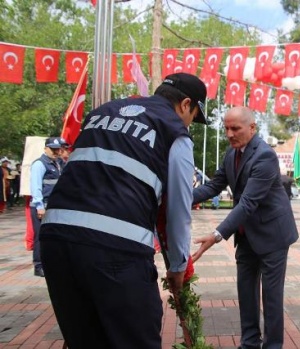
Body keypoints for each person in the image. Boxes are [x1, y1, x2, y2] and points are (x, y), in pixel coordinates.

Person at [39, 73, 208, 349]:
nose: (190, 124)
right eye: (193, 116)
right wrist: (178, 267)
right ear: (185, 104)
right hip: (115, 249)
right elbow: (178, 207)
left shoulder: (101, 112)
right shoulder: (174, 131)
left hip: (56, 242)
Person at [191, 106, 299, 349]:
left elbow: (249, 201)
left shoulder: (265, 155)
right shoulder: (231, 154)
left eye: (235, 128)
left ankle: (272, 346)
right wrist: (178, 199)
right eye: (226, 128)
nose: (229, 134)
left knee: (271, 298)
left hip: (273, 234)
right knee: (246, 294)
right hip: (246, 235)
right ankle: (249, 344)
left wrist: (217, 235)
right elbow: (213, 186)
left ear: (252, 128)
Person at [28, 139, 63, 277]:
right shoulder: (40, 164)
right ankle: (39, 265)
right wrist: (39, 206)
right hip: (42, 208)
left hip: (54, 207)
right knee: (40, 237)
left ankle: (51, 263)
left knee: (52, 237)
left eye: (58, 149)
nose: (56, 152)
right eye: (53, 149)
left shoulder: (58, 164)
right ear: (45, 149)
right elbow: (35, 186)